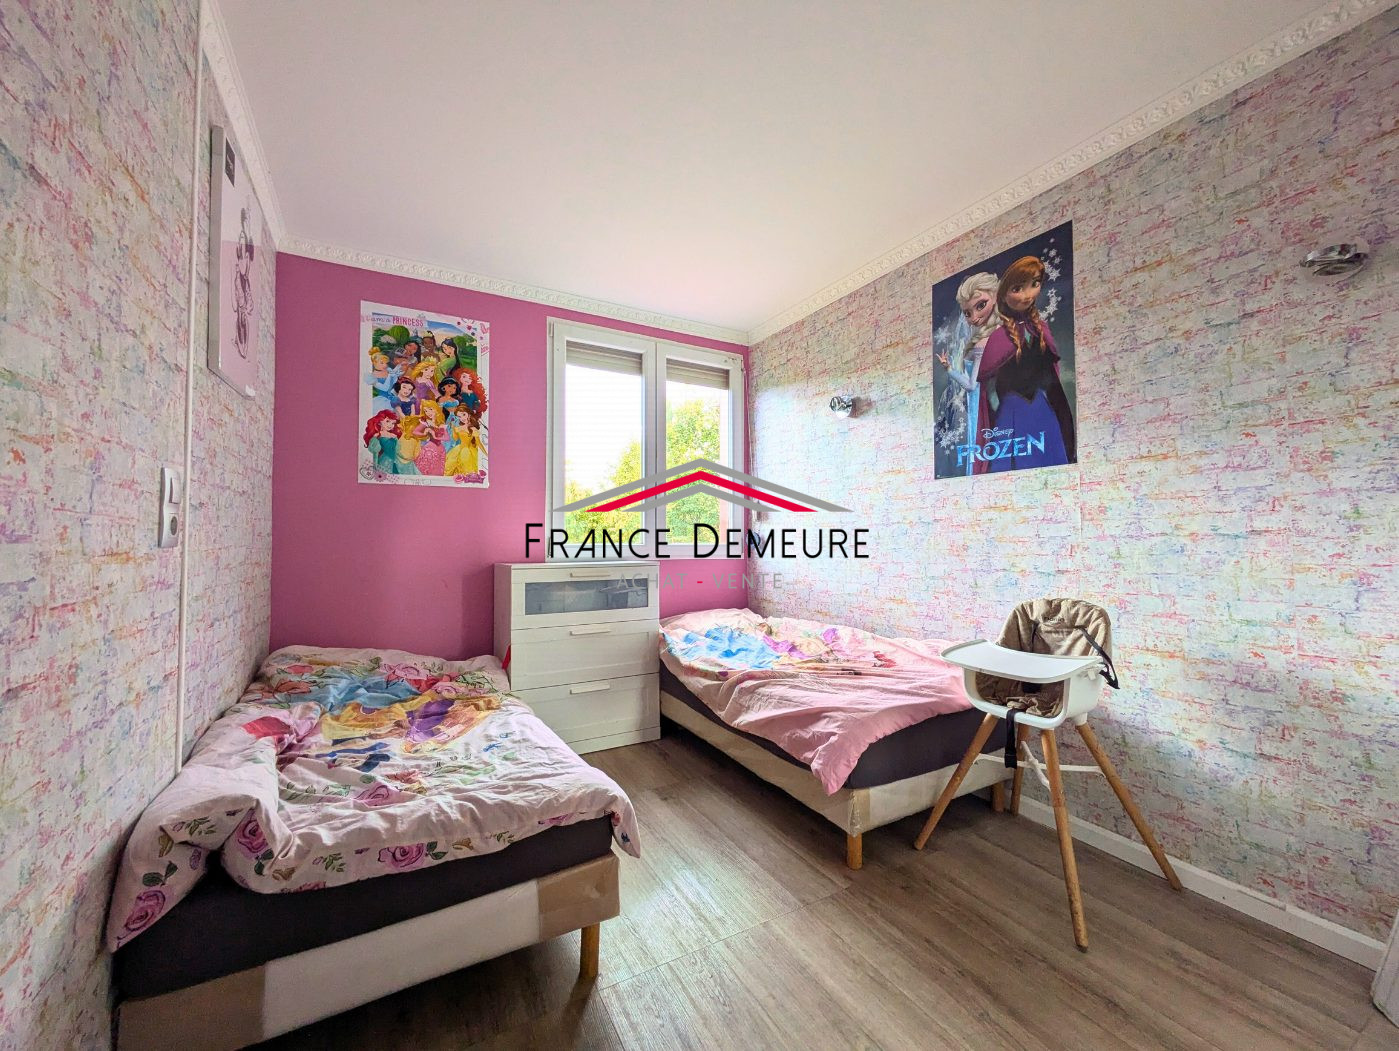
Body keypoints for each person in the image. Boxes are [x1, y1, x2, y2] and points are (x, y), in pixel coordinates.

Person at [975, 256, 1076, 473]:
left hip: (1043, 414)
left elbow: (1054, 385)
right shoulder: (998, 338)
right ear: (1004, 295)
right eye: (1018, 288)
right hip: (1010, 417)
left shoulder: (1041, 330)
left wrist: (1067, 431)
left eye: (1035, 284)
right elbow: (986, 391)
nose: (1027, 295)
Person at [935, 272, 999, 476]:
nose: (974, 318)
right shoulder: (992, 337)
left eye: (981, 305)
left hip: (981, 404)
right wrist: (949, 369)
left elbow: (971, 385)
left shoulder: (985, 341)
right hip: (984, 402)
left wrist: (949, 370)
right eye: (967, 313)